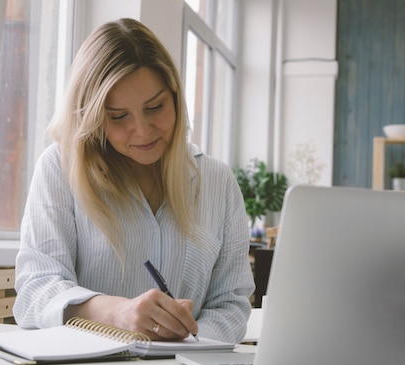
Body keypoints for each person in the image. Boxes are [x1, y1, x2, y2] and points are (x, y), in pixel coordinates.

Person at [13, 18, 254, 344]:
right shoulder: (59, 169)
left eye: (155, 107)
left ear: (175, 98)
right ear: (92, 117)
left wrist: (185, 347)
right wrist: (117, 314)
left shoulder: (217, 182)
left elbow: (231, 304)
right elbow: (35, 290)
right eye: (118, 117)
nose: (142, 131)